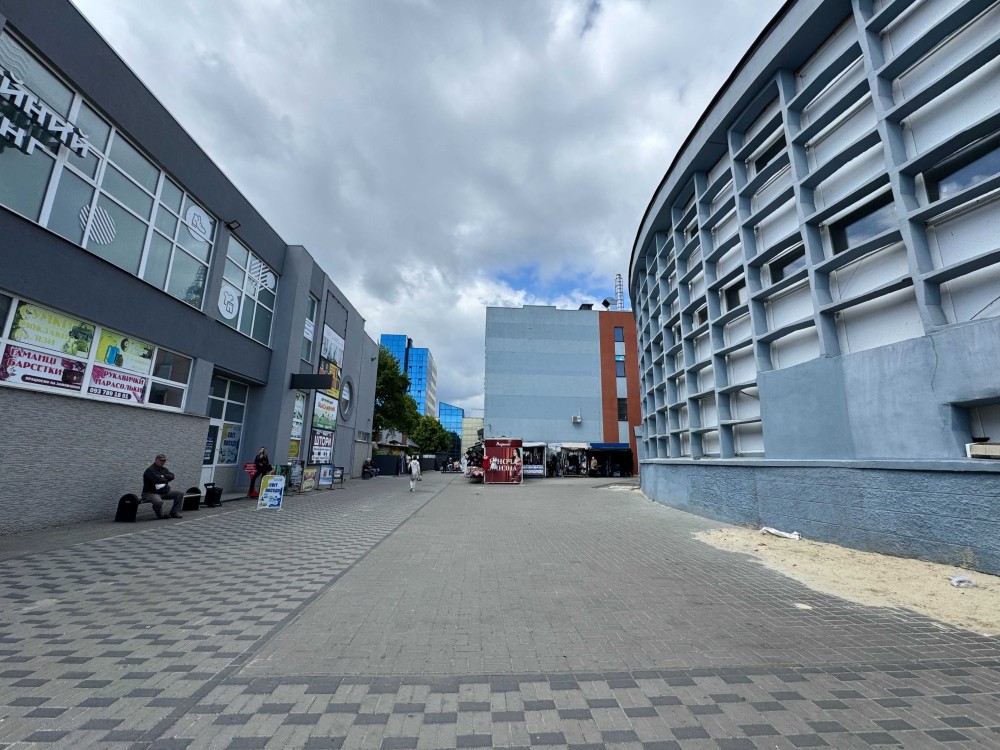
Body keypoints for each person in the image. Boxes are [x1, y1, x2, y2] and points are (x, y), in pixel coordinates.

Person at [142, 453, 184, 519]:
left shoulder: (164, 469)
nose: (163, 462)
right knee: (158, 502)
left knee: (179, 494)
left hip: (164, 491)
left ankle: (174, 512)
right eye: (161, 460)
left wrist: (163, 476)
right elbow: (157, 480)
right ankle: (160, 515)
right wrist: (165, 478)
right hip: (151, 493)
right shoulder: (150, 470)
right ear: (156, 460)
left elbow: (172, 476)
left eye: (164, 461)